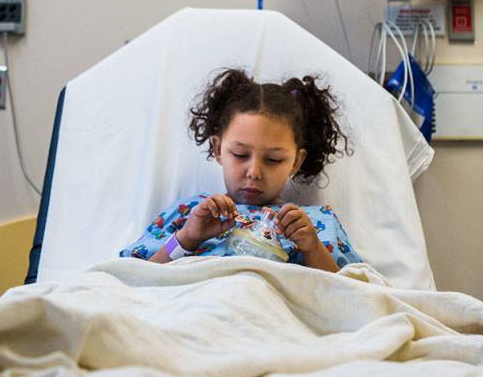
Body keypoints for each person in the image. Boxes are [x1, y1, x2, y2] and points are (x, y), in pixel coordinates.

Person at [119, 68, 361, 273]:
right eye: (240, 155)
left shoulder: (316, 224)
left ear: (296, 162)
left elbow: (348, 294)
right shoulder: (188, 213)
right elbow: (139, 277)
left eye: (273, 159)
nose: (254, 172)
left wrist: (313, 248)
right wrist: (188, 237)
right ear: (218, 148)